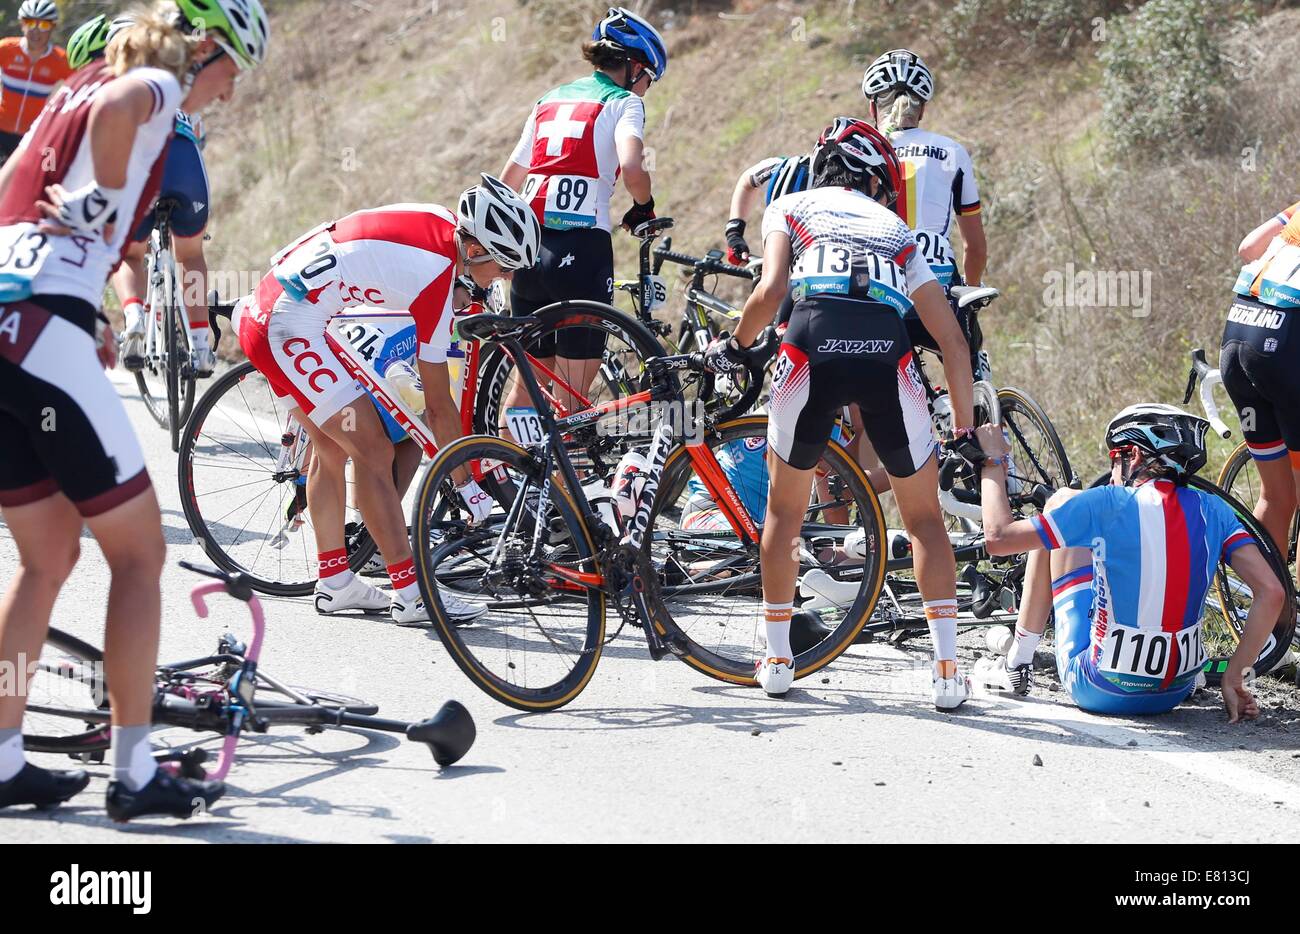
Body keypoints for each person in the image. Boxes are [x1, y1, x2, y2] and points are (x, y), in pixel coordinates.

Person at [0, 0, 268, 821]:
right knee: (142, 558)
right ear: (206, 48)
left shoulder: (72, 87)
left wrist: (85, 304)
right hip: (39, 336)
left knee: (46, 560)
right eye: (229, 75)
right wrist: (100, 200)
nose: (223, 95)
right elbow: (125, 119)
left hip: (10, 323)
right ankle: (136, 771)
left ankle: (4, 760)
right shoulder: (147, 82)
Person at [703, 117, 977, 707]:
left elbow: (771, 290)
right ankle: (949, 672)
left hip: (810, 340)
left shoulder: (793, 204)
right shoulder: (895, 227)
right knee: (926, 520)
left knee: (784, 512)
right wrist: (963, 429)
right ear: (878, 182)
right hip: (886, 350)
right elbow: (952, 340)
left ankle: (777, 659)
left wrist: (734, 346)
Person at [235, 176, 539, 624]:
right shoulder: (436, 280)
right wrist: (465, 482)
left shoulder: (440, 222)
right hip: (287, 324)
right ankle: (412, 595)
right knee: (373, 449)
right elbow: (438, 407)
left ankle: (336, 582)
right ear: (474, 251)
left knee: (332, 447)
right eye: (506, 266)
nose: (508, 278)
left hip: (271, 309)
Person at [972, 405, 1283, 721]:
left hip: (1099, 688)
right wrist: (1235, 676)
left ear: (1132, 455)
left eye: (1113, 461)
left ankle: (1016, 664)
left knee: (1060, 505)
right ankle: (1187, 671)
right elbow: (1272, 592)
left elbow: (998, 539)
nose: (1112, 475)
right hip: (1174, 692)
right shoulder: (1214, 508)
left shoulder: (1106, 502)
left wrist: (993, 460)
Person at [499, 6, 665, 422]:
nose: (646, 89)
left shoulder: (549, 99)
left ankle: (500, 481)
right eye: (649, 78)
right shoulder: (623, 102)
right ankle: (559, 487)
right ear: (632, 66)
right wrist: (643, 207)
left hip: (528, 250)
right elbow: (632, 166)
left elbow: (510, 178)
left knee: (526, 393)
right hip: (580, 250)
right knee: (572, 408)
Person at [64, 9, 223, 378]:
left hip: (140, 173)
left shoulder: (110, 93)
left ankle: (134, 314)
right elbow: (197, 134)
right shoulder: (176, 80)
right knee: (190, 255)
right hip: (185, 165)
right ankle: (200, 347)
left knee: (131, 253)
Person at [863, 49, 989, 378]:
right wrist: (971, 293)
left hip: (880, 292)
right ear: (923, 109)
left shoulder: (862, 153)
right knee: (969, 369)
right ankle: (978, 416)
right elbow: (974, 246)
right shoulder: (952, 151)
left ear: (873, 107)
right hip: (939, 291)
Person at [1220, 199, 1300, 578]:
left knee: (1278, 497)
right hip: (1281, 350)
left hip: (1238, 337)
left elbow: (1248, 248)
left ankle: (1271, 619)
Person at [0, 0, 72, 164]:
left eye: (43, 25)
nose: (35, 30)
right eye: (30, 22)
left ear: (53, 27)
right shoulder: (6, 49)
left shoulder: (61, 60)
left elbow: (82, 86)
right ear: (21, 24)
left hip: (32, 136)